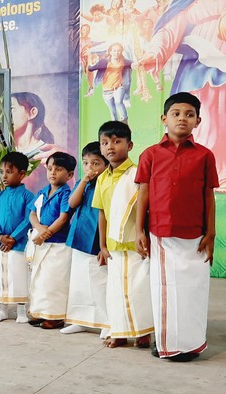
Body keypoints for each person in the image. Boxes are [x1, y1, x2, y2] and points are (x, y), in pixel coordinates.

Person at [135, 92, 219, 362]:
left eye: (189, 114)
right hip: (161, 233)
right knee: (165, 289)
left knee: (194, 290)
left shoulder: (205, 156)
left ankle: (192, 344)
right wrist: (139, 231)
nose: (182, 118)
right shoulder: (150, 154)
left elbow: (208, 195)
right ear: (164, 118)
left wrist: (211, 232)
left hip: (196, 234)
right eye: (176, 113)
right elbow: (143, 195)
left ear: (198, 121)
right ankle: (167, 344)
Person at [134, 0, 226, 184]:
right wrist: (155, 51)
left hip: (223, 51)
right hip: (197, 57)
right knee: (203, 110)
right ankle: (193, 173)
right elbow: (171, 27)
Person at [92, 121, 154, 348]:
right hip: (113, 246)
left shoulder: (137, 174)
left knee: (139, 290)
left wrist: (142, 234)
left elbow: (147, 208)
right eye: (105, 142)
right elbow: (102, 213)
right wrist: (102, 245)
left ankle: (143, 332)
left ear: (129, 145)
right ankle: (119, 331)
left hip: (135, 244)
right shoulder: (102, 178)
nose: (110, 147)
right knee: (115, 292)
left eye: (117, 141)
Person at [62, 142, 110, 337]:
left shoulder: (107, 182)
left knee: (99, 282)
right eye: (86, 163)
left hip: (97, 239)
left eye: (96, 163)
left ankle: (107, 322)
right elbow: (71, 204)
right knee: (79, 281)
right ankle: (79, 320)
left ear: (106, 164)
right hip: (79, 237)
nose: (90, 168)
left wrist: (104, 245)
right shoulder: (83, 183)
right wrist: (83, 182)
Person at [27, 152, 76, 330]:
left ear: (69, 175)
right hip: (42, 242)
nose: (53, 172)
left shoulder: (66, 193)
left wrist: (46, 234)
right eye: (50, 168)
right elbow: (32, 214)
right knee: (40, 279)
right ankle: (40, 312)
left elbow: (63, 218)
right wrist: (40, 229)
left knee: (54, 281)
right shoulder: (43, 191)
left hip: (58, 245)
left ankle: (56, 317)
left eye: (58, 169)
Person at [0, 151, 35, 323]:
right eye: (2, 172)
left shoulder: (28, 196)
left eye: (9, 172)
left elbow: (28, 219)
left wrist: (13, 238)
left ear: (22, 174)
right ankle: (3, 310)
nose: (4, 176)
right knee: (2, 277)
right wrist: (0, 236)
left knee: (18, 276)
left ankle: (21, 312)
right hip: (0, 244)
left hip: (18, 245)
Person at [88, 43, 133, 123]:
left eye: (118, 51)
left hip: (118, 87)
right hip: (107, 91)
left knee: (118, 102)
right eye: (114, 51)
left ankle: (125, 123)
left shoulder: (124, 61)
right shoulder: (104, 62)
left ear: (121, 51)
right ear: (110, 52)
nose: (116, 53)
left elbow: (132, 63)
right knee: (113, 112)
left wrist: (136, 64)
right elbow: (91, 68)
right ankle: (115, 127)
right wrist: (89, 62)